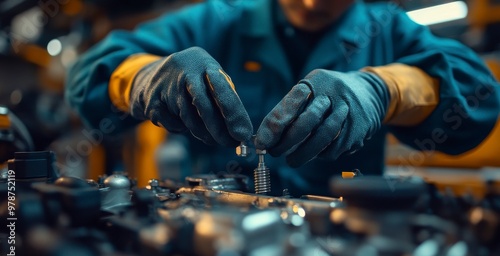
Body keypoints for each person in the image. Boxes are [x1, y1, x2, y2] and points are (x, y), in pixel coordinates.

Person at [65, 0, 500, 196]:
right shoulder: (220, 18)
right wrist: (143, 78)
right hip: (216, 235)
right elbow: (90, 73)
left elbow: (479, 96)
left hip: (346, 243)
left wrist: (383, 89)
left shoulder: (387, 29)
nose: (313, 3)